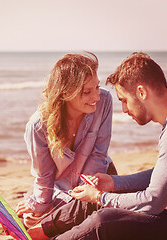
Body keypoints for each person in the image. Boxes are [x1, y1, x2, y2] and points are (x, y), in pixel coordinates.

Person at [28, 52, 167, 239]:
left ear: (141, 92)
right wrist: (113, 184)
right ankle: (41, 231)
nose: (124, 109)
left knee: (103, 221)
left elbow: (153, 201)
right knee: (102, 195)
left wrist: (100, 197)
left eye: (124, 100)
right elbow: (163, 174)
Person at [16, 52, 117, 228]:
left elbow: (99, 155)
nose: (96, 97)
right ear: (65, 93)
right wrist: (40, 206)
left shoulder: (105, 101)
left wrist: (63, 206)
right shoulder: (38, 126)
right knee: (29, 220)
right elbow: (44, 175)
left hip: (97, 178)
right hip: (58, 188)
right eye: (87, 92)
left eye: (97, 88)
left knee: (94, 222)